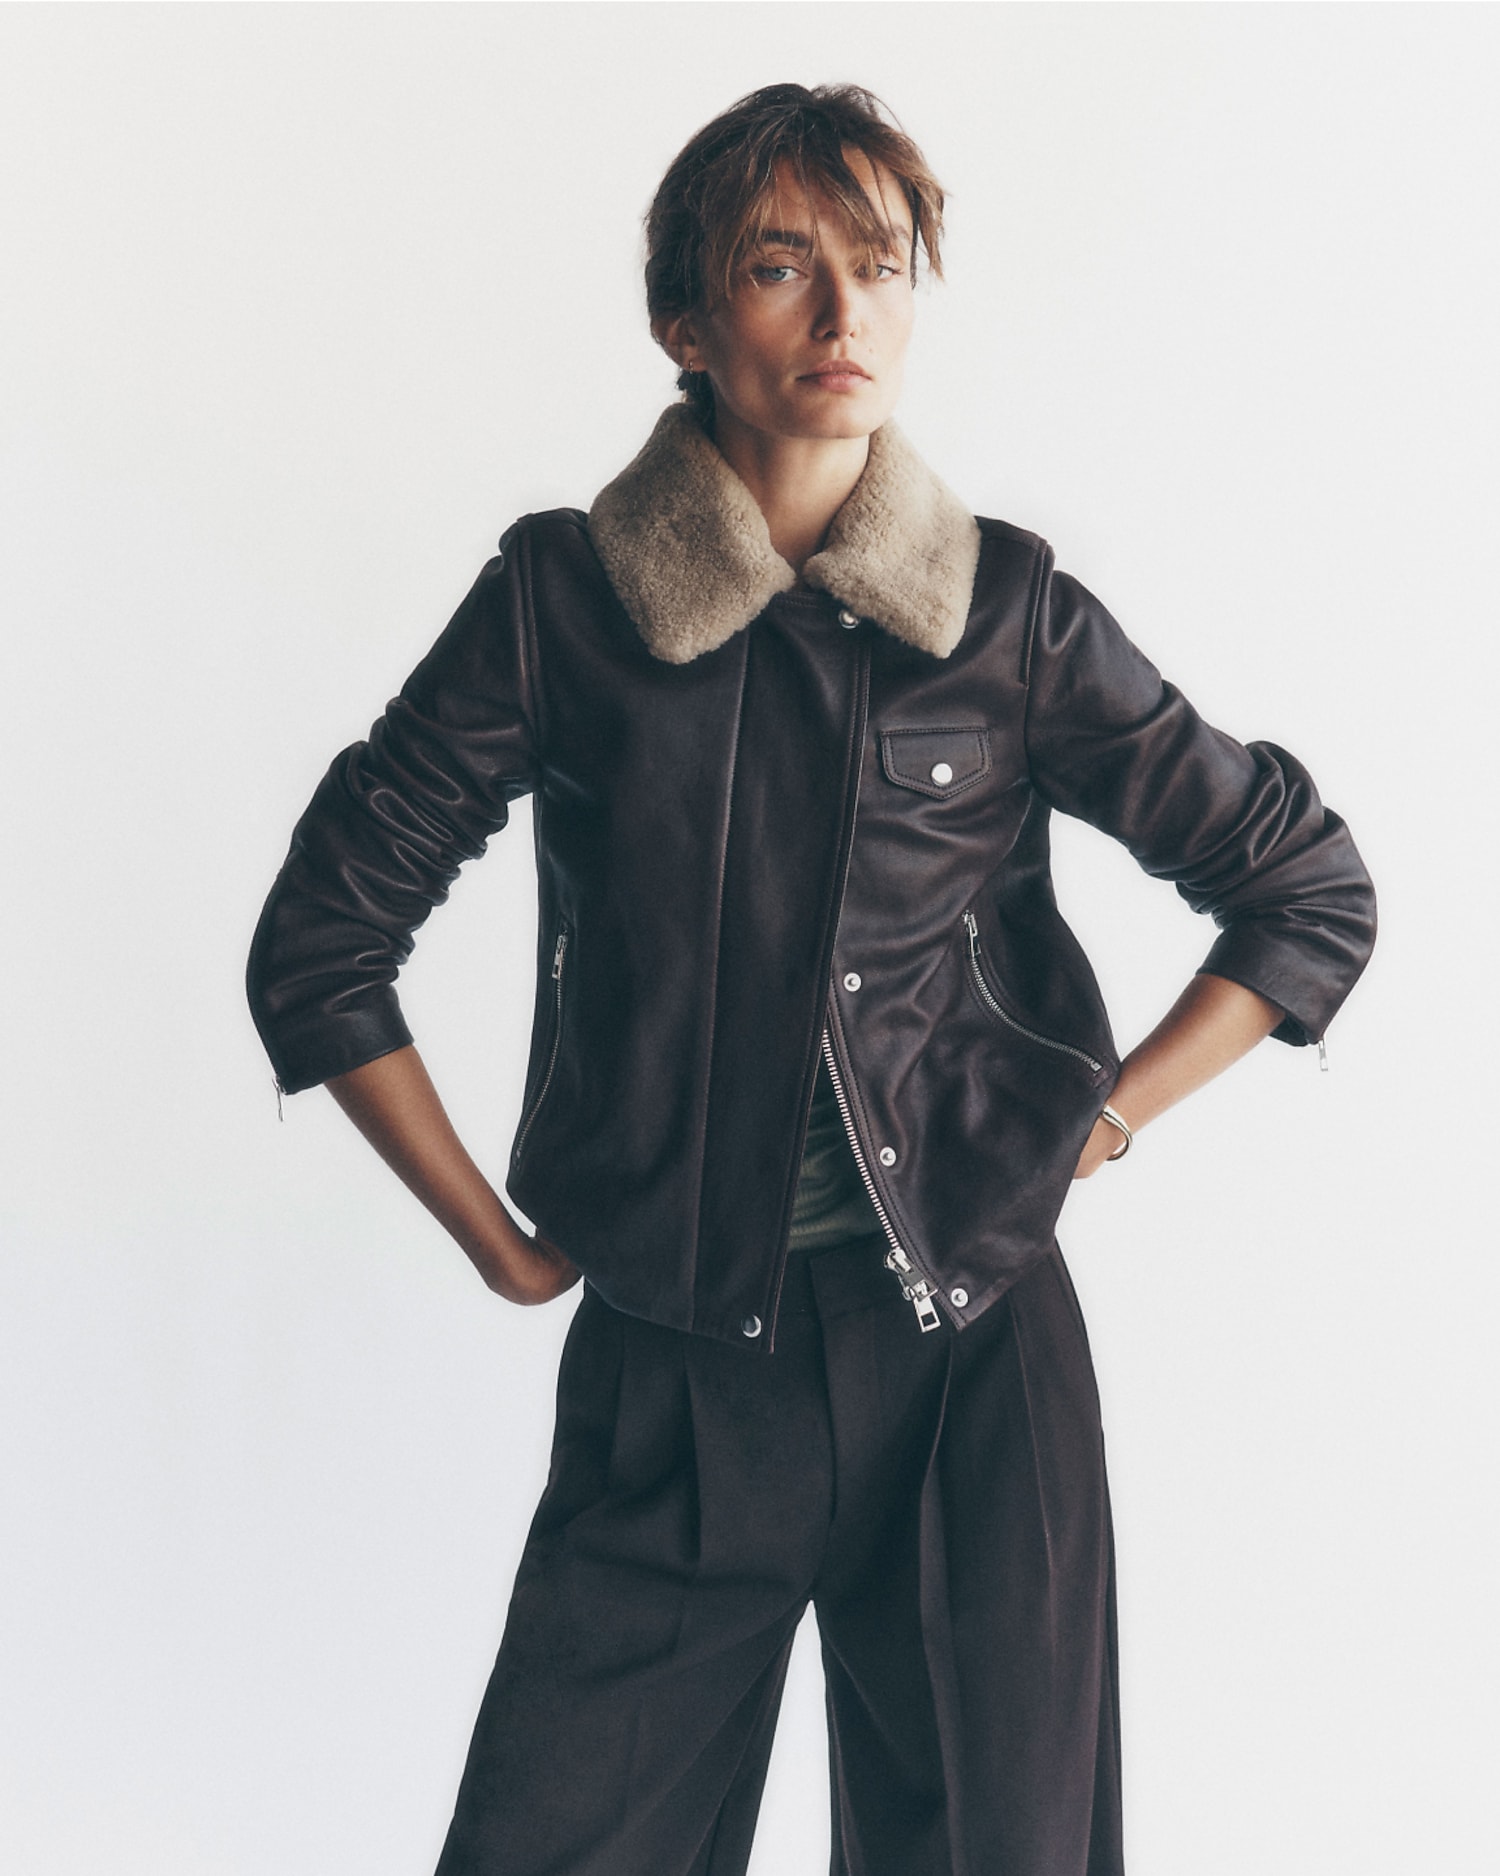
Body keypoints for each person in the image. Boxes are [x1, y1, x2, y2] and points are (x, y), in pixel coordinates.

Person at [247, 82, 1375, 1876]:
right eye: (783, 269)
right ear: (684, 322)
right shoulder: (562, 604)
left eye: (879, 266)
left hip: (975, 1373)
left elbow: (1303, 889)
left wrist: (1105, 1118)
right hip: (678, 1378)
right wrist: (497, 1236)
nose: (845, 319)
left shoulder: (1006, 616)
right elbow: (322, 940)